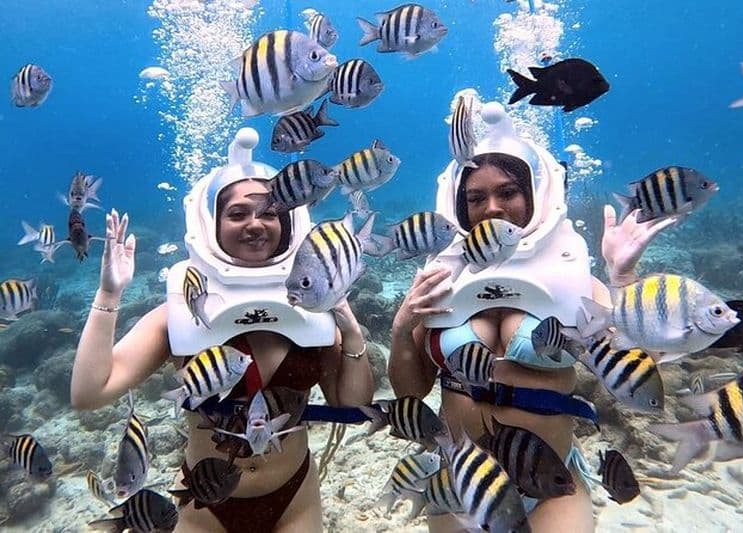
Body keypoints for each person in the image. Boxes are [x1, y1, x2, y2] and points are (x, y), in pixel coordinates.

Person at [388, 102, 675, 532]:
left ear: (532, 194)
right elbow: (411, 391)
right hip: (462, 484)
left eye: (508, 192)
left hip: (551, 481)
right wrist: (399, 330)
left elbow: (639, 374)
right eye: (475, 197)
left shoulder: (575, 282)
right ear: (458, 204)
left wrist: (622, 276)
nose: (492, 208)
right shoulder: (439, 281)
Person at [70, 128, 374, 533]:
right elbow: (89, 394)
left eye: (269, 212)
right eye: (237, 214)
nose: (255, 224)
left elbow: (350, 404)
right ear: (211, 225)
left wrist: (351, 335)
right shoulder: (180, 312)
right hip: (203, 504)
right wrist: (109, 293)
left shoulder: (315, 303)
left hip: (294, 497)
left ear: (288, 221)